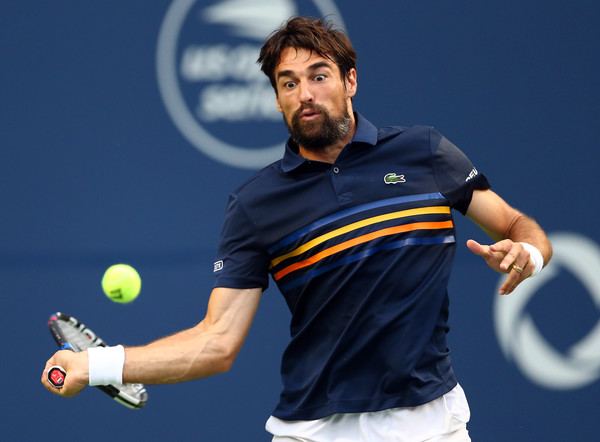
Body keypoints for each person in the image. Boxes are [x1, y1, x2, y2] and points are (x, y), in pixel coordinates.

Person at [42, 17, 552, 441]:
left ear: (350, 81)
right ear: (277, 100)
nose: (305, 94)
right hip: (313, 431)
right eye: (289, 83)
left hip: (433, 423)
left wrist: (528, 252)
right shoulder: (256, 204)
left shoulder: (424, 152)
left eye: (319, 76)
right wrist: (95, 367)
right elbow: (217, 343)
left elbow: (516, 224)